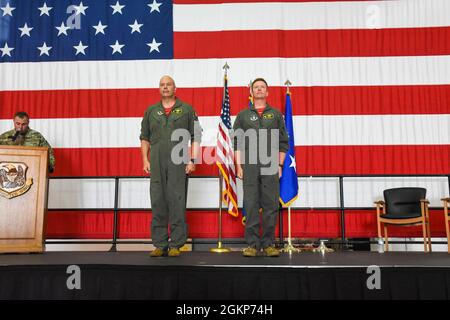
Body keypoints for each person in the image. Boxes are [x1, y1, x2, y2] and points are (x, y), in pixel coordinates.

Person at [140, 76, 202, 257]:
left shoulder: (187, 109)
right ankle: (160, 243)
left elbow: (196, 136)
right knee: (158, 200)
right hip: (157, 162)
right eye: (162, 85)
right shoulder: (151, 111)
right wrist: (145, 159)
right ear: (159, 88)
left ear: (175, 88)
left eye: (169, 85)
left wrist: (193, 160)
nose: (165, 87)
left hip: (179, 161)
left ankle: (176, 243)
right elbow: (144, 137)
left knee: (177, 201)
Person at [233, 78, 289, 257]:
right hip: (249, 165)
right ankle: (252, 244)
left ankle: (268, 244)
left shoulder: (276, 115)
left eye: (262, 87)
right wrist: (238, 165)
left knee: (271, 204)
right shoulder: (242, 116)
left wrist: (280, 164)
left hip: (271, 164)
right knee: (250, 204)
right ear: (251, 92)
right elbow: (237, 143)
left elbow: (283, 142)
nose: (259, 90)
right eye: (256, 87)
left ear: (267, 92)